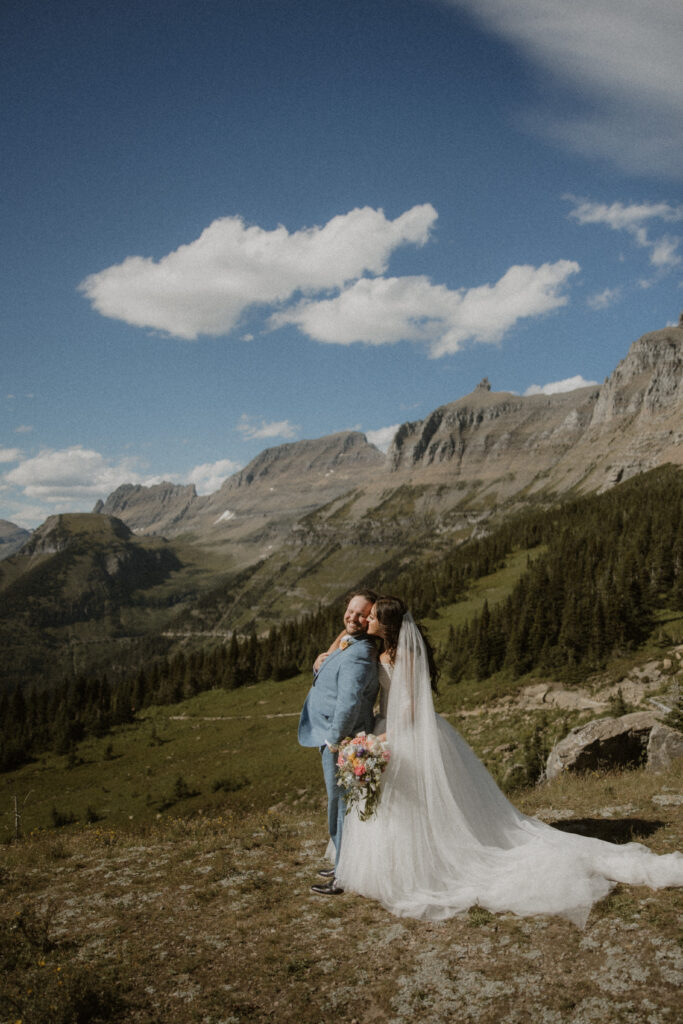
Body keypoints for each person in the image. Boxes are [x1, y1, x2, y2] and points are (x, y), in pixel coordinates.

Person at [335, 597, 683, 926]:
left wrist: (386, 737)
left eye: (374, 615)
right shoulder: (382, 648)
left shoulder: (407, 653)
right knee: (396, 805)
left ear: (389, 623)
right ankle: (393, 865)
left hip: (408, 731)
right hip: (387, 728)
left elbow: (411, 704)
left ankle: (425, 865)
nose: (367, 618)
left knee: (425, 806)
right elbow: (356, 654)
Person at [298, 590, 379, 895]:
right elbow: (327, 670)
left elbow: (348, 703)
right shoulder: (349, 643)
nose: (353, 617)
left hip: (342, 741)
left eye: (361, 614)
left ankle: (343, 875)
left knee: (342, 804)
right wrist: (320, 661)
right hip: (332, 736)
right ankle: (342, 862)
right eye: (350, 610)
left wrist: (334, 741)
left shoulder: (359, 654)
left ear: (371, 620)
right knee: (337, 802)